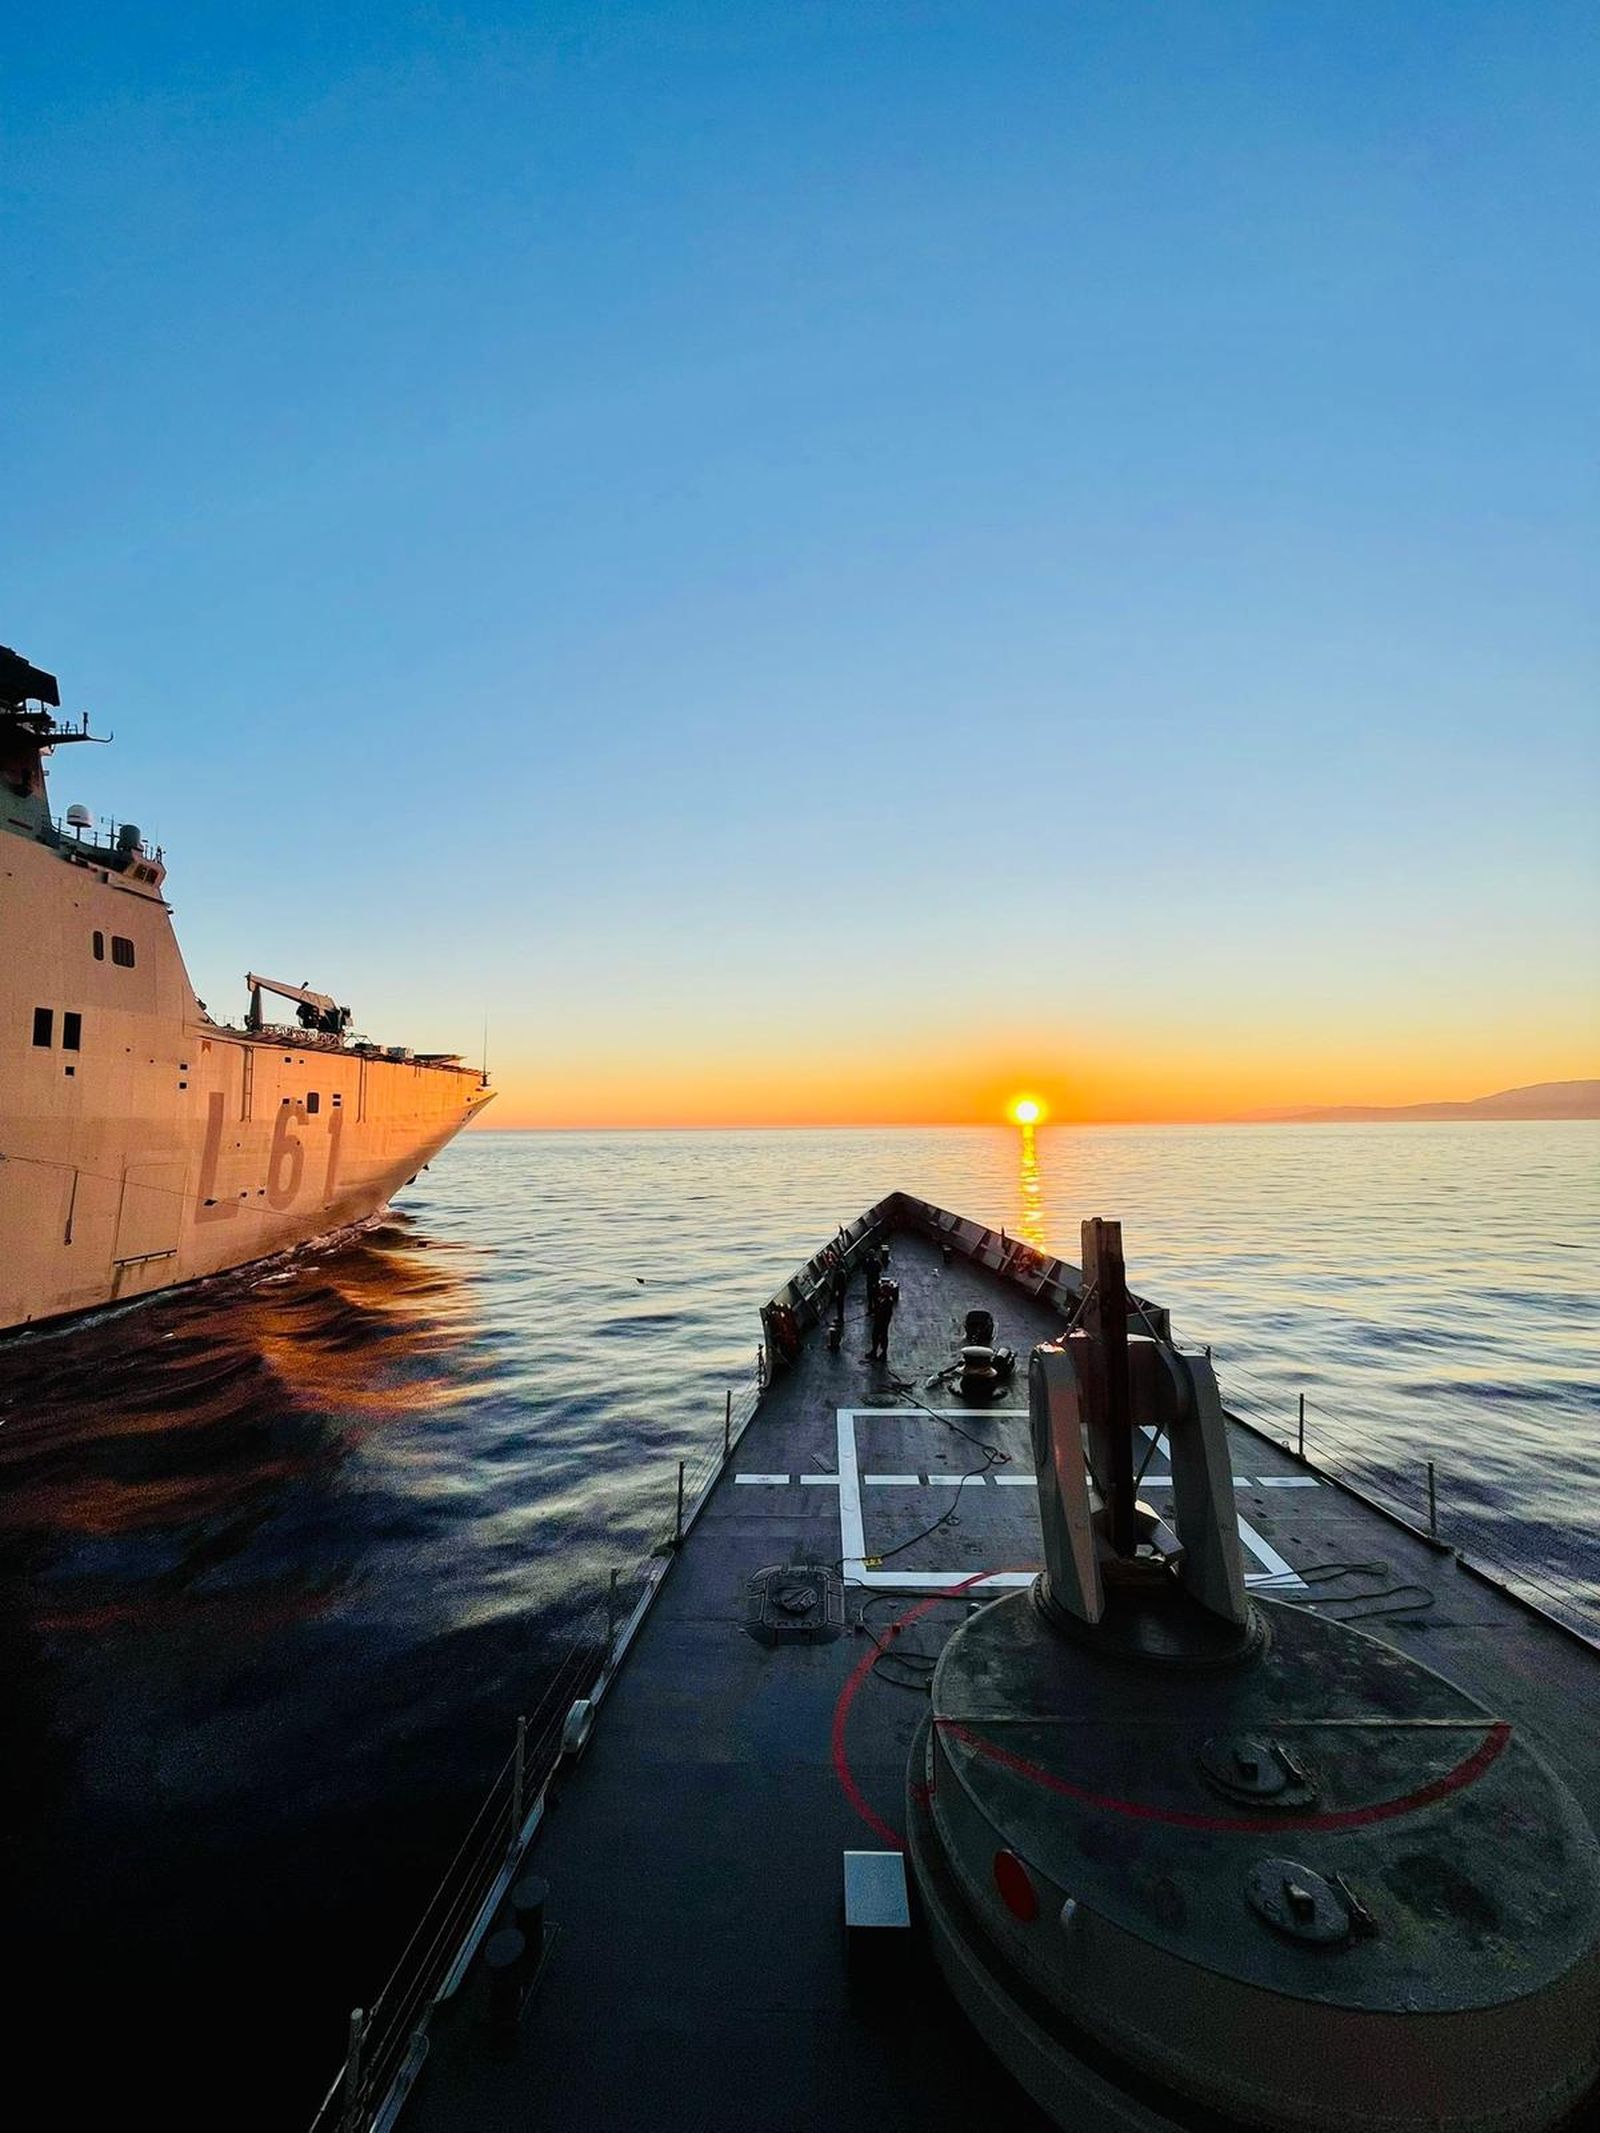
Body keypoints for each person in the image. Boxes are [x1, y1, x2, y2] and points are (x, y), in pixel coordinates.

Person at [869, 1273, 899, 1363]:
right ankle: (874, 1351)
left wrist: (877, 1312)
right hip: (879, 1320)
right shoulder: (883, 1299)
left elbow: (884, 1312)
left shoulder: (888, 1301)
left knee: (882, 1336)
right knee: (875, 1335)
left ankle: (883, 1353)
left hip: (882, 1321)